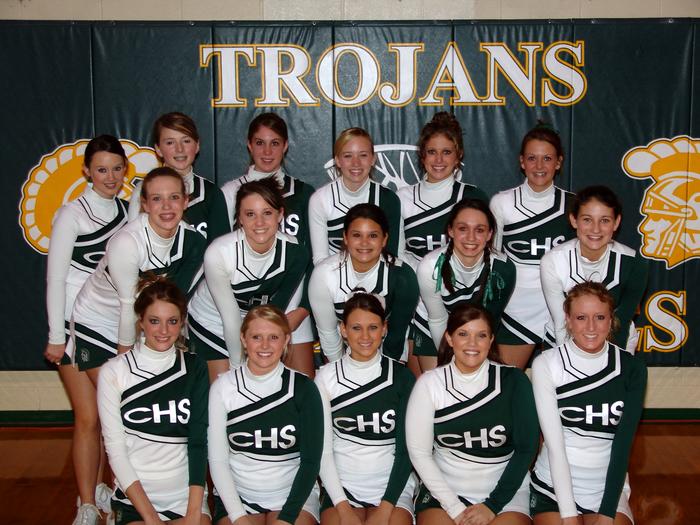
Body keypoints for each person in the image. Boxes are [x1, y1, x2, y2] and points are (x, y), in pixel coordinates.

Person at [43, 135, 129, 525]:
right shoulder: (71, 215)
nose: (110, 177)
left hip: (117, 328)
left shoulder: (129, 211)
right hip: (76, 328)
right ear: (86, 172)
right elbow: (56, 278)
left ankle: (105, 490)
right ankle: (87, 504)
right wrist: (56, 336)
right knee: (89, 418)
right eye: (101, 169)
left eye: (117, 168)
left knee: (115, 416)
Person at [406, 304, 539, 525]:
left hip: (506, 492)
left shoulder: (514, 381)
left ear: (491, 340)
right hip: (444, 491)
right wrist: (454, 508)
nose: (472, 343)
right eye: (463, 334)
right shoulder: (430, 383)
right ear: (449, 338)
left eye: (481, 335)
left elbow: (526, 449)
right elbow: (419, 452)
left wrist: (492, 505)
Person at [530, 282, 647, 525]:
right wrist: (569, 515)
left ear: (611, 320)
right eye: (581, 317)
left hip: (607, 487)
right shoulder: (547, 364)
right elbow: (555, 446)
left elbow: (623, 446)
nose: (591, 327)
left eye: (600, 317)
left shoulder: (631, 367)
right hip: (553, 485)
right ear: (568, 320)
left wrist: (607, 513)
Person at [97, 275, 211, 525]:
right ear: (141, 321)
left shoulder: (194, 367)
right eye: (154, 321)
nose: (164, 331)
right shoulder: (114, 371)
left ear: (182, 321)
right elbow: (115, 450)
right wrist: (151, 518)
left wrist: (194, 511)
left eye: (172, 321)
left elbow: (198, 441)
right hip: (135, 502)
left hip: (186, 497)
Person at [71, 167, 206, 374]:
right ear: (145, 204)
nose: (167, 206)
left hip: (142, 325)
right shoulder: (128, 242)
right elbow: (128, 307)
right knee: (119, 389)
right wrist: (125, 369)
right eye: (157, 199)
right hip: (98, 322)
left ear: (186, 201)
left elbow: (172, 303)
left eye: (174, 197)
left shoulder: (194, 242)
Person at [208, 305, 323, 525]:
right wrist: (239, 518)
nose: (264, 345)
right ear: (243, 339)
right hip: (238, 497)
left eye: (273, 337)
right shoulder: (223, 388)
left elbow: (310, 462)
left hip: (293, 497)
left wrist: (286, 518)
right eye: (256, 337)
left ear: (286, 340)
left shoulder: (304, 388)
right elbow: (218, 460)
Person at [220, 113, 316, 375]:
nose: (267, 151)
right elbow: (219, 258)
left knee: (302, 386)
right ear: (249, 145)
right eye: (260, 143)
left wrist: (302, 310)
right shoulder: (230, 193)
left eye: (274, 143)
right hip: (242, 310)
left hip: (292, 308)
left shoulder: (304, 193)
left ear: (285, 146)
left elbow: (313, 258)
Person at [187, 178, 311, 381]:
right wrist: (240, 370)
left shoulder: (296, 253)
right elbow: (230, 317)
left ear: (280, 214)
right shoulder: (219, 253)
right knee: (224, 384)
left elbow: (276, 310)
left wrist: (260, 343)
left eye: (267, 213)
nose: (259, 223)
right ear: (240, 218)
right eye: (250, 214)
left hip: (256, 322)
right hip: (212, 320)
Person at [398, 112, 488, 375]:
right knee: (426, 386)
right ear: (422, 156)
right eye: (432, 152)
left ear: (458, 156)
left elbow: (488, 255)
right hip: (419, 305)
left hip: (463, 303)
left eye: (446, 152)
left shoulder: (472, 196)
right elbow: (397, 256)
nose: (439, 160)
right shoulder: (403, 198)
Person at [316, 292, 416, 525]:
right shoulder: (326, 378)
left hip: (392, 488)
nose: (365, 336)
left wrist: (385, 509)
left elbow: (406, 451)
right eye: (356, 328)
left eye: (373, 327)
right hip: (342, 487)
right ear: (343, 330)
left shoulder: (402, 377)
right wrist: (343, 508)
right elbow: (323, 451)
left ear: (384, 329)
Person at [489, 122, 575, 369]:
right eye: (532, 158)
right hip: (515, 309)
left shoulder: (573, 204)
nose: (539, 166)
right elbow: (493, 260)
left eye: (547, 158)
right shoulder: (502, 203)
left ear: (558, 162)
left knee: (563, 383)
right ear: (522, 162)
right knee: (505, 383)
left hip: (560, 306)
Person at [539, 186, 649, 353]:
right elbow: (561, 323)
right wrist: (569, 362)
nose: (595, 229)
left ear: (616, 222)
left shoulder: (634, 264)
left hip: (617, 342)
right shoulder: (553, 261)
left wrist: (609, 363)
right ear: (574, 220)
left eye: (604, 220)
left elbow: (622, 322)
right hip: (561, 343)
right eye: (587, 220)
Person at [308, 204, 419, 363]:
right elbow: (328, 333)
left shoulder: (403, 276)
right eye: (357, 235)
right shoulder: (324, 274)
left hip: (388, 351)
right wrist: (341, 369)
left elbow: (396, 335)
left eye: (373, 235)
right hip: (341, 352)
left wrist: (383, 371)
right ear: (345, 237)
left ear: (384, 239)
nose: (364, 243)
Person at [416, 199, 516, 371]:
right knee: (441, 381)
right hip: (435, 328)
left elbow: (489, 322)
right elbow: (437, 318)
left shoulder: (502, 269)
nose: (471, 237)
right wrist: (450, 361)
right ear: (451, 231)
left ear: (490, 234)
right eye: (463, 228)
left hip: (477, 332)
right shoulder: (430, 266)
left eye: (479, 230)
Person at [128, 111, 229, 243]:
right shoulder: (143, 190)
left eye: (186, 141)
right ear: (158, 149)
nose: (179, 149)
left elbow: (222, 249)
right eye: (170, 143)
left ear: (197, 145)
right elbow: (132, 241)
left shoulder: (211, 193)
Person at [308, 127, 403, 264]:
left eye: (363, 155)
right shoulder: (320, 199)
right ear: (337, 161)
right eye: (348, 156)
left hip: (378, 274)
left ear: (373, 159)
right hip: (333, 273)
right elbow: (320, 260)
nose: (356, 163)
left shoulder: (388, 199)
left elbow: (393, 256)